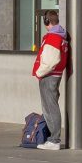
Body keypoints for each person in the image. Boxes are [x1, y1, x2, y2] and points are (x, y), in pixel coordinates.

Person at [29, 9, 69, 150]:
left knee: (50, 108)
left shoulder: (53, 37)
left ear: (47, 22)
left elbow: (51, 61)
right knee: (51, 106)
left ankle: (54, 140)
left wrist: (39, 73)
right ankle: (53, 139)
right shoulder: (61, 36)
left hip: (49, 75)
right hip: (55, 75)